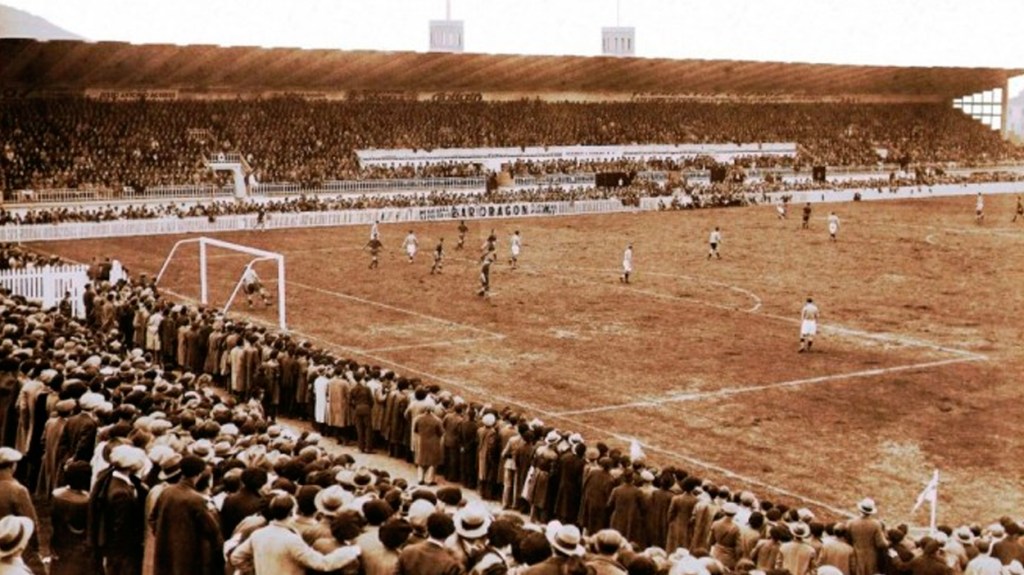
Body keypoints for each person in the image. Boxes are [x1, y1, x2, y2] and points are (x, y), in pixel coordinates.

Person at [230, 494, 361, 575]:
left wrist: (254, 571)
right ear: (292, 513)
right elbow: (323, 564)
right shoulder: (291, 540)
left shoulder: (258, 534)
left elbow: (236, 556)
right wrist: (349, 552)